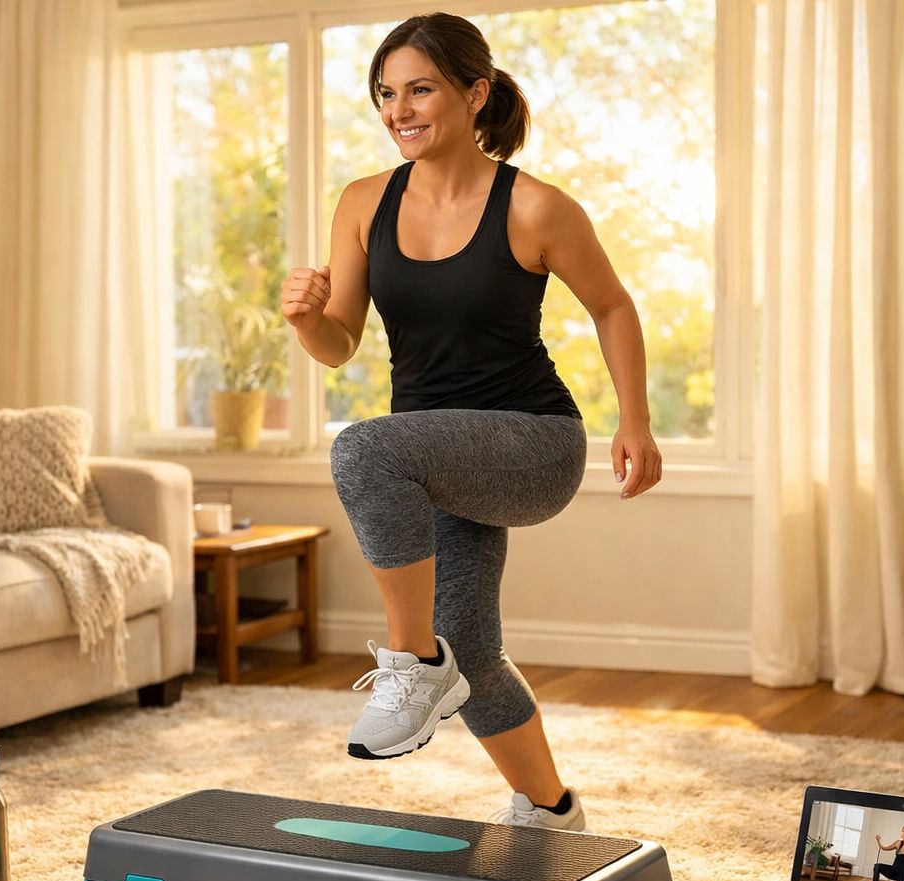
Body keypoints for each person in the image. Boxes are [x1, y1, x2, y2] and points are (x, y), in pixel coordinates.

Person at [279, 13, 660, 831]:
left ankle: (414, 665)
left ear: (474, 93)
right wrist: (306, 318)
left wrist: (637, 420)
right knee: (473, 649)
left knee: (362, 451)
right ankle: (552, 808)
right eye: (386, 93)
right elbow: (339, 344)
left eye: (420, 88)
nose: (399, 108)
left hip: (531, 445)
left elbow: (613, 304)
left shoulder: (532, 205)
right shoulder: (361, 203)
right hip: (434, 457)